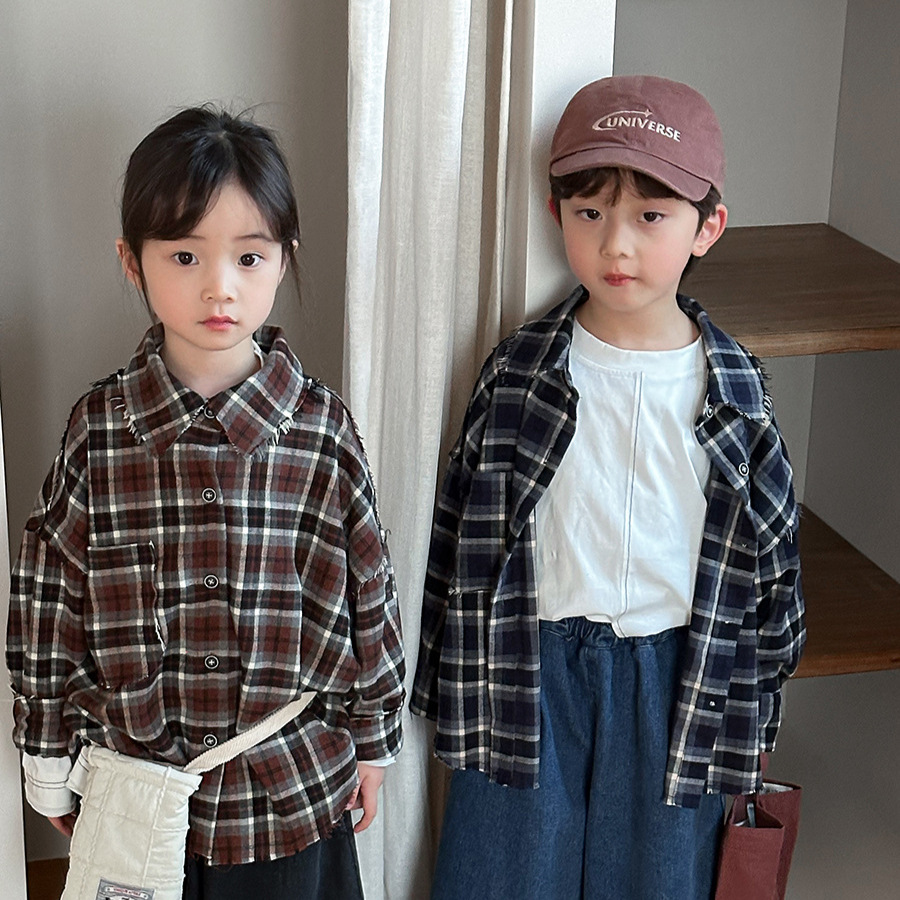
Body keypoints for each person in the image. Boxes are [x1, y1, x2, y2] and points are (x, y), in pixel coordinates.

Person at [411, 75, 805, 899]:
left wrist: (757, 712)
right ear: (556, 212)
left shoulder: (735, 391)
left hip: (676, 680)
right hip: (529, 667)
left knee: (660, 879)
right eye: (590, 213)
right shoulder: (520, 371)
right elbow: (459, 533)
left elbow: (772, 565)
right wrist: (442, 684)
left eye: (650, 217)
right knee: (504, 874)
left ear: (707, 227)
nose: (616, 246)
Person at [6, 106, 405, 900]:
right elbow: (50, 595)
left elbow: (371, 592)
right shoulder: (100, 431)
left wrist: (374, 739)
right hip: (137, 799)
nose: (220, 286)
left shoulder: (321, 429)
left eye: (249, 257)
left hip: (287, 796)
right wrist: (45, 755)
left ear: (283, 259)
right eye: (185, 255)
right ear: (133, 260)